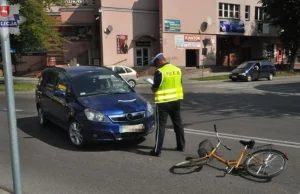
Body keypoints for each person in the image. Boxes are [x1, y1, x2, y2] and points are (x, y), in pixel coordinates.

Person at [149, 53, 185, 157]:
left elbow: (155, 88)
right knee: (178, 124)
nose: (156, 66)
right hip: (176, 101)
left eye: (156, 64)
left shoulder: (160, 72)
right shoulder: (177, 69)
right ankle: (181, 146)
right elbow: (180, 83)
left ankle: (157, 150)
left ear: (160, 61)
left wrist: (152, 87)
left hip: (163, 102)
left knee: (161, 126)